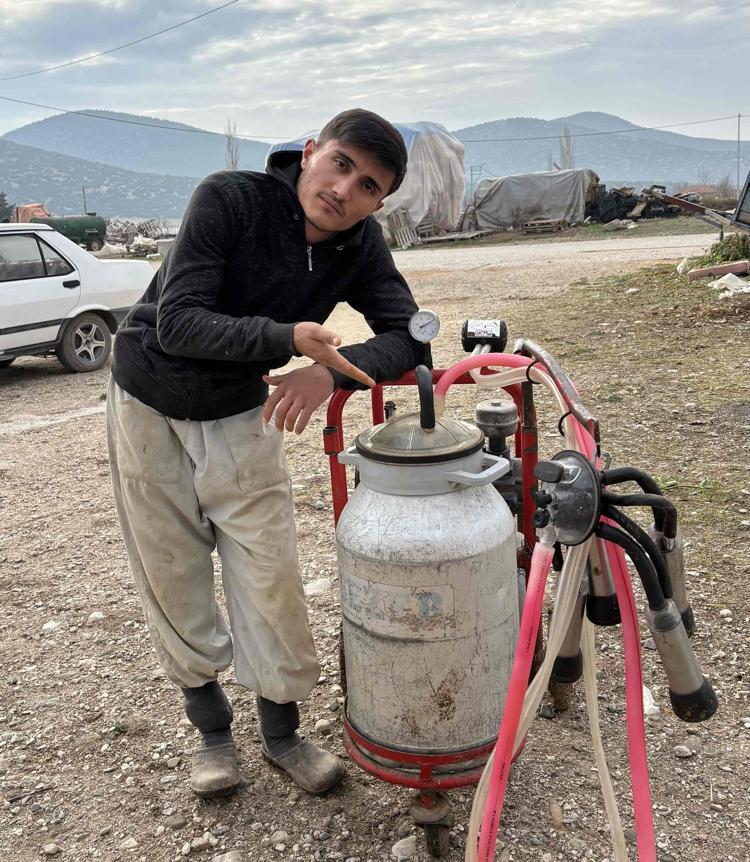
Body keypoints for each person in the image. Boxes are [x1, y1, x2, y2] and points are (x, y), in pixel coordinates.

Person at [106, 108, 427, 799]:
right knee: (171, 567)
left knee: (268, 571)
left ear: (379, 202)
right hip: (147, 396)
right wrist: (286, 337)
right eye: (341, 164)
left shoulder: (360, 245)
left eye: (369, 186)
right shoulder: (230, 198)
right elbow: (179, 320)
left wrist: (329, 371)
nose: (346, 190)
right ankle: (212, 734)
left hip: (239, 408)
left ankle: (282, 733)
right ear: (311, 153)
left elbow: (410, 337)